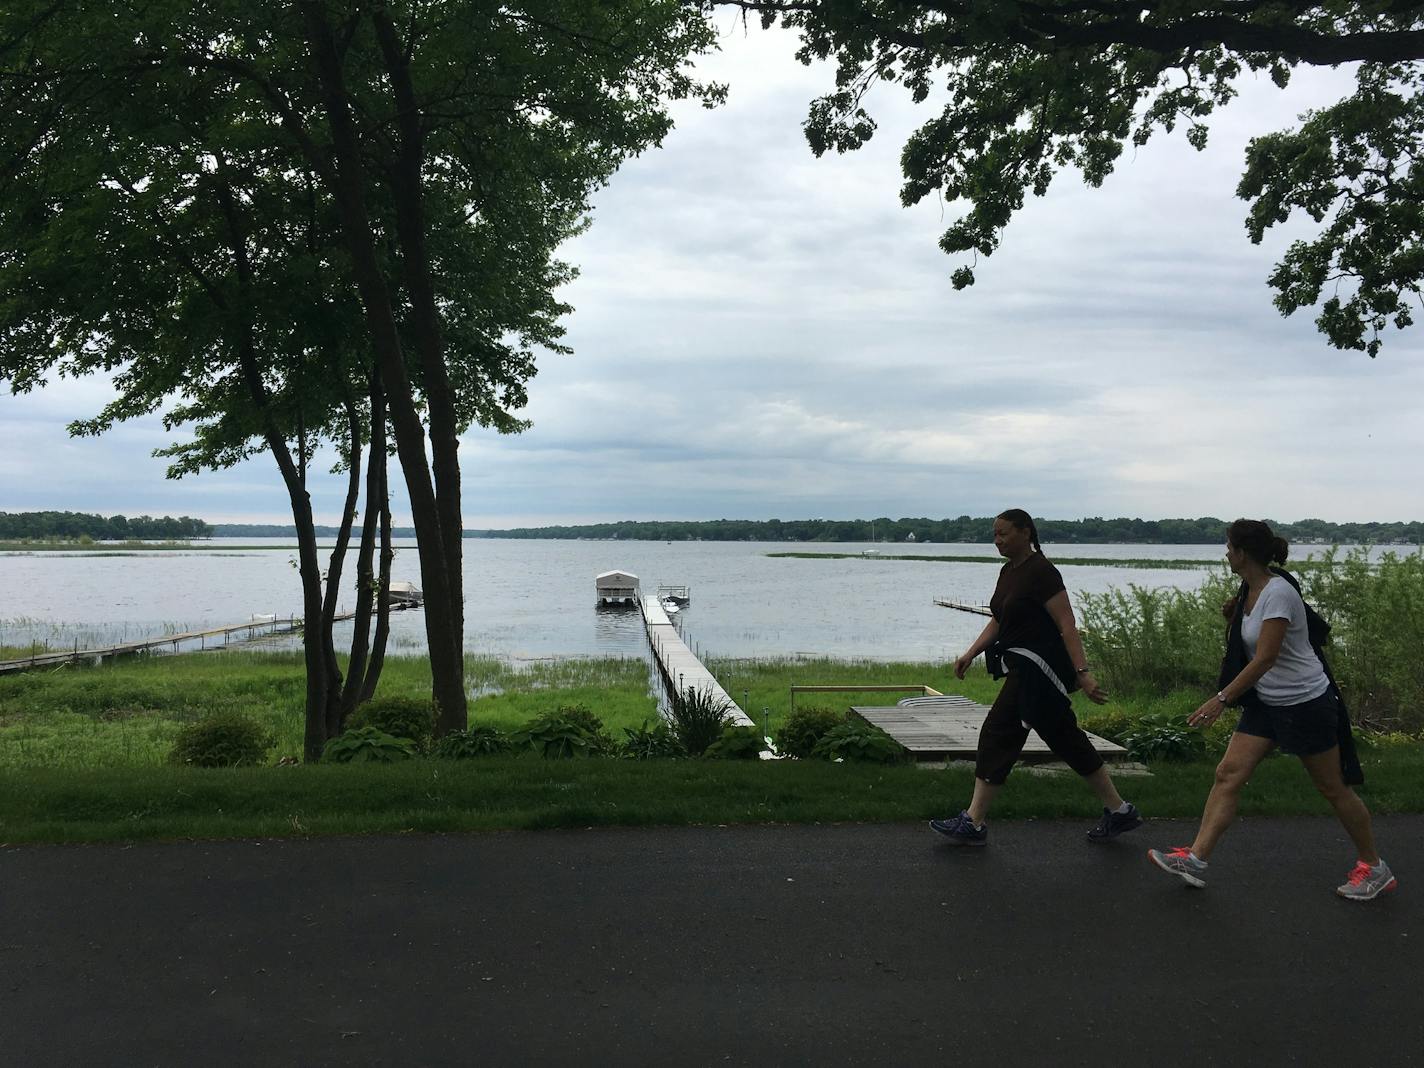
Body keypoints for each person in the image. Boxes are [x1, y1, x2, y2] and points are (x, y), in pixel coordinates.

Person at [1147, 519, 1397, 900]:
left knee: (1333, 788)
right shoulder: (1250, 588)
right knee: (1228, 774)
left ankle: (1375, 868)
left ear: (1243, 553)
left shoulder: (1277, 593)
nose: (1226, 553)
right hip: (1269, 702)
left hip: (1305, 703)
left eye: (1229, 547)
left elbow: (1265, 658)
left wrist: (1220, 700)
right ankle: (1195, 859)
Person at [930, 509, 1144, 845]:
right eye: (994, 535)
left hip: (1040, 671)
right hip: (1023, 667)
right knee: (1066, 740)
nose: (997, 540)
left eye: (1003, 534)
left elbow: (1067, 624)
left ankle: (973, 822)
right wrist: (970, 653)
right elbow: (999, 620)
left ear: (1025, 532)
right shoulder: (1008, 572)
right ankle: (1119, 811)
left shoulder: (1042, 571)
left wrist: (1083, 674)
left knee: (997, 733)